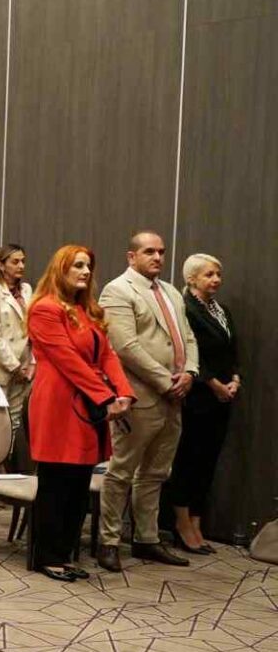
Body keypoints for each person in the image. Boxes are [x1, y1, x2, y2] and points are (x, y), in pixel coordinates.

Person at [26, 245, 133, 581]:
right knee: (57, 480)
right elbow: (67, 360)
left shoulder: (86, 310)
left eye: (88, 266)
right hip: (58, 403)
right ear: (61, 269)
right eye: (78, 266)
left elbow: (108, 356)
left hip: (88, 403)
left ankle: (65, 552)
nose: (86, 271)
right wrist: (106, 396)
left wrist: (123, 392)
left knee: (78, 482)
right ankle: (48, 556)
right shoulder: (45, 308)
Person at [97, 231, 199, 572]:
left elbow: (188, 337)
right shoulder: (117, 290)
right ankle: (109, 541)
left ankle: (146, 538)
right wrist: (165, 382)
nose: (157, 257)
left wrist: (190, 372)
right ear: (132, 256)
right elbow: (125, 346)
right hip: (140, 396)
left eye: (161, 252)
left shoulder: (171, 292)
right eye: (149, 252)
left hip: (175, 396)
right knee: (122, 471)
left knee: (156, 472)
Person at [168, 254, 239, 556]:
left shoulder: (222, 311)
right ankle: (181, 522)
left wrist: (235, 378)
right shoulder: (186, 308)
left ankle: (197, 521)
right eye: (209, 274)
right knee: (189, 459)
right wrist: (213, 383)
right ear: (192, 278)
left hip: (222, 398)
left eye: (218, 274)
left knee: (208, 461)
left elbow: (231, 350)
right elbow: (188, 352)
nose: (216, 279)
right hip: (197, 395)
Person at [0, 244, 34, 466]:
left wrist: (32, 363)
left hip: (25, 364)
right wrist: (14, 366)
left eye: (23, 261)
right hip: (2, 365)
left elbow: (33, 329)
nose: (21, 266)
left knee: (15, 420)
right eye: (15, 262)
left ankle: (6, 468)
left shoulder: (27, 290)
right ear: (1, 265)